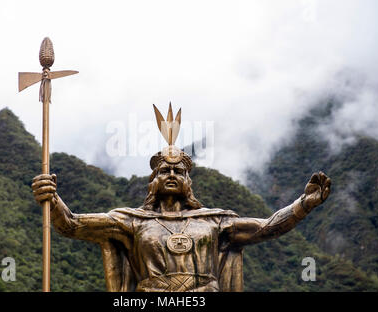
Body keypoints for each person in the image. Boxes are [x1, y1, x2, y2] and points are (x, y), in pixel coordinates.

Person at [31, 104, 331, 292]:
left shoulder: (214, 220)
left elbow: (267, 227)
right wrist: (52, 198)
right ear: (154, 179)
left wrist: (303, 204)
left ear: (188, 180)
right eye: (164, 170)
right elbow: (71, 226)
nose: (172, 174)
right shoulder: (131, 222)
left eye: (178, 171)